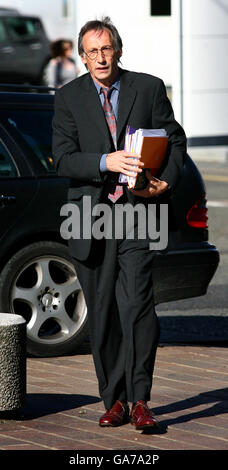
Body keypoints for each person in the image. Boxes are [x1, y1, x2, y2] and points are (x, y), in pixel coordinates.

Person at [52, 17, 186, 430]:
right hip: (91, 216)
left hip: (139, 212)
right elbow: (62, 158)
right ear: (82, 56)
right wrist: (103, 162)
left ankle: (141, 400)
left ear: (119, 50)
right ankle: (114, 400)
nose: (101, 58)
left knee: (138, 306)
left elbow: (175, 141)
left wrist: (166, 180)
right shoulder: (68, 96)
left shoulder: (147, 87)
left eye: (106, 49)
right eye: (92, 51)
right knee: (105, 312)